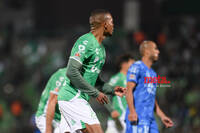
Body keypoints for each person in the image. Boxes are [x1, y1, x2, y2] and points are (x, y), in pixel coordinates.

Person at [57, 9, 126, 133]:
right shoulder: (86, 41)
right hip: (73, 97)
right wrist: (95, 93)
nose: (113, 25)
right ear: (105, 24)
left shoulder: (102, 50)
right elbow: (71, 71)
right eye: (111, 22)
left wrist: (112, 89)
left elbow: (95, 81)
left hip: (76, 99)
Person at [125, 41, 174, 133]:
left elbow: (151, 97)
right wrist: (132, 111)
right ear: (147, 51)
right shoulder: (137, 66)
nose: (158, 51)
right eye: (155, 49)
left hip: (150, 119)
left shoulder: (153, 73)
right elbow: (128, 90)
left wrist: (162, 116)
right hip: (138, 116)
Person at [105, 54, 134, 133]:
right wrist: (111, 110)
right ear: (123, 64)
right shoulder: (117, 78)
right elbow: (105, 93)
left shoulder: (131, 80)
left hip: (128, 119)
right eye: (131, 63)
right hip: (117, 118)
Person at [35, 68, 70, 133]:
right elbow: (52, 101)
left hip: (61, 118)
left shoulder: (88, 76)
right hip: (45, 115)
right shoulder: (63, 75)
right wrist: (48, 130)